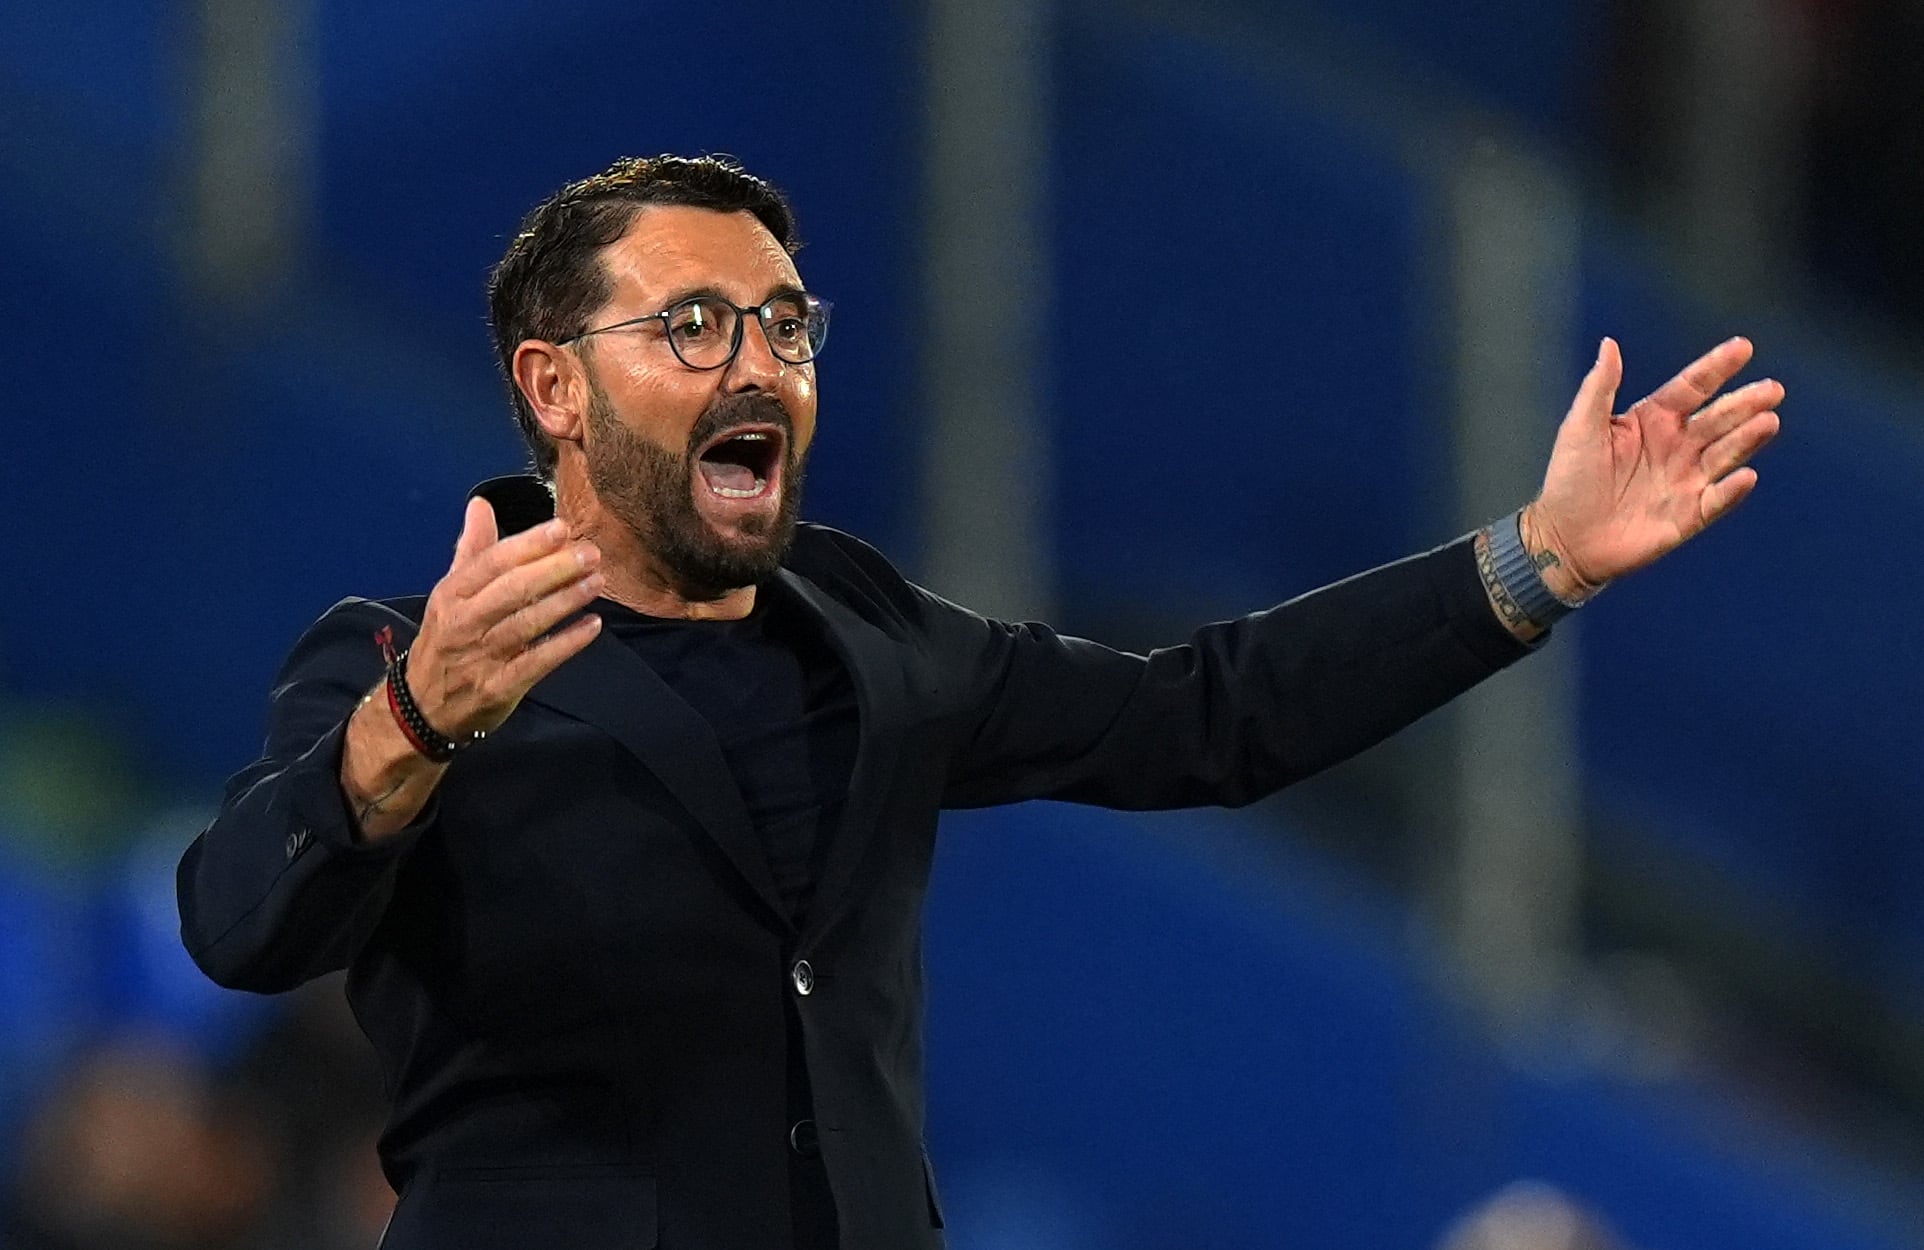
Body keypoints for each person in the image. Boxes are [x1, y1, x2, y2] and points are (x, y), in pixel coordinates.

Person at [174, 154, 1783, 1250]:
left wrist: (1538, 560)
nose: (760, 364)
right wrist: (418, 722)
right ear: (554, 388)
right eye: (694, 326)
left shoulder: (865, 628)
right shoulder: (406, 648)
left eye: (787, 324)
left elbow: (1202, 715)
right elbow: (240, 921)